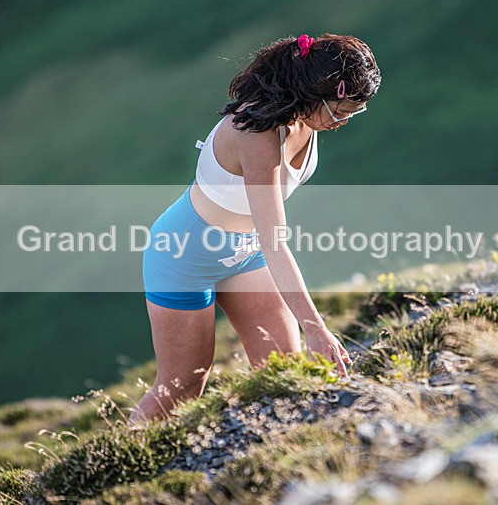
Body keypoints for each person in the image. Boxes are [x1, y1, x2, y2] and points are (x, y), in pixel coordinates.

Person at [129, 33, 381, 425]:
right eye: (341, 110)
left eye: (355, 112)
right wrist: (316, 328)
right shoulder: (258, 131)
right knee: (182, 386)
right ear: (315, 92)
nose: (344, 121)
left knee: (284, 368)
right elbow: (275, 240)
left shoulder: (308, 116)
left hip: (245, 252)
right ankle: (115, 464)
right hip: (184, 255)